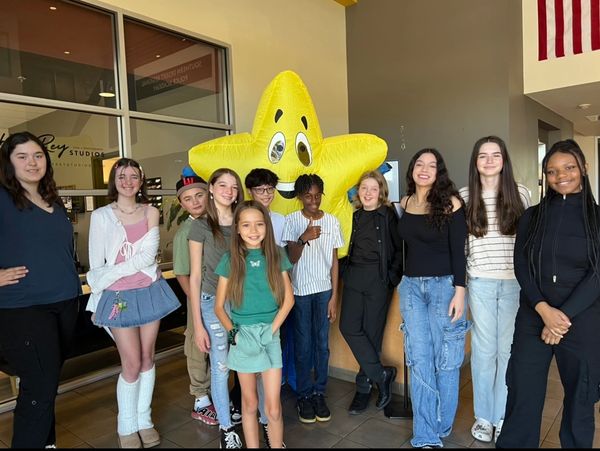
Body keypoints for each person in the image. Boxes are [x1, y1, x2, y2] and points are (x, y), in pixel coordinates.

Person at [496, 140, 600, 449]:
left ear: (583, 168)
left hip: (582, 319)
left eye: (569, 168)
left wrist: (561, 318)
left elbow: (598, 275)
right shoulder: (532, 216)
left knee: (581, 398)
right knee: (522, 392)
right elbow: (521, 265)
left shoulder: (598, 218)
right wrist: (543, 310)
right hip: (534, 315)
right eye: (552, 171)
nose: (561, 176)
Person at [86, 157, 180, 449]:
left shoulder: (151, 211)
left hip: (150, 291)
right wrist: (102, 289)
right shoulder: (101, 216)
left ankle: (144, 420)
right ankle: (126, 426)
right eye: (121, 176)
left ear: (141, 181)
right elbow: (95, 266)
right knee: (131, 362)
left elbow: (148, 256)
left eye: (133, 176)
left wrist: (112, 271)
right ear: (113, 181)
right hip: (118, 297)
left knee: (148, 357)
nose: (128, 182)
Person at [0, 131, 82, 448]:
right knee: (39, 386)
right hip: (24, 307)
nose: (32, 162)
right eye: (22, 156)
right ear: (8, 163)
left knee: (45, 385)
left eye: (38, 155)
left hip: (65, 302)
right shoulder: (3, 198)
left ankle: (47, 443)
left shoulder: (53, 200)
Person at [458, 136, 531, 443]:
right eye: (483, 155)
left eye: (495, 155)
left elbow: (528, 242)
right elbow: (459, 243)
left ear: (504, 160)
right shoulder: (464, 196)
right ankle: (484, 417)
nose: (489, 161)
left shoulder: (521, 193)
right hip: (480, 282)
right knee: (484, 352)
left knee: (507, 351)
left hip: (514, 283)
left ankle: (501, 416)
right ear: (475, 162)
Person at [397, 148, 470, 449]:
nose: (424, 169)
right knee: (419, 360)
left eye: (431, 165)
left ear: (439, 172)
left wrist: (460, 290)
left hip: (444, 287)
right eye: (419, 164)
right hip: (411, 288)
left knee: (446, 360)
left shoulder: (451, 203)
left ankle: (441, 423)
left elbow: (459, 250)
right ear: (412, 169)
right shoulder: (404, 203)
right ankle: (425, 434)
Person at [214, 200, 295, 449]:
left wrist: (271, 331)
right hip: (243, 335)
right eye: (246, 225)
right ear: (237, 229)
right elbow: (219, 307)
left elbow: (289, 300)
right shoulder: (230, 259)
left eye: (259, 224)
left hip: (270, 333)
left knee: (273, 407)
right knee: (249, 403)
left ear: (267, 227)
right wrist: (235, 335)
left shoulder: (277, 255)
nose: (253, 230)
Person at [188, 168, 244, 449]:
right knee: (221, 367)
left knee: (247, 362)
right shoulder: (200, 225)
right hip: (213, 303)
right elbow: (195, 277)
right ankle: (226, 428)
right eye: (223, 185)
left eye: (234, 186)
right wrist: (198, 325)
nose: (229, 191)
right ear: (211, 188)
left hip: (244, 302)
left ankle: (256, 418)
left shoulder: (244, 220)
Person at [282, 174, 344, 424]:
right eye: (308, 196)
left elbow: (335, 261)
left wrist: (334, 296)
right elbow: (290, 259)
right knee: (303, 346)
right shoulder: (291, 221)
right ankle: (304, 395)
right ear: (299, 197)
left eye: (318, 195)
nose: (314, 200)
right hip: (300, 293)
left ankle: (319, 393)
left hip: (324, 292)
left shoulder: (332, 221)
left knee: (322, 345)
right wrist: (303, 237)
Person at [339, 170, 403, 414]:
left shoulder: (388, 215)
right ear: (358, 192)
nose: (367, 193)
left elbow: (400, 249)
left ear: (381, 192)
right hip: (354, 278)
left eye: (373, 189)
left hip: (378, 280)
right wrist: (343, 273)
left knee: (371, 335)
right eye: (364, 188)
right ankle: (381, 374)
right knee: (348, 327)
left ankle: (363, 388)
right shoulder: (352, 215)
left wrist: (391, 278)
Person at [172, 168, 218, 425]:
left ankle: (217, 394)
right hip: (199, 298)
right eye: (188, 199)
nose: (195, 202)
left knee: (219, 344)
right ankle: (200, 398)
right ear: (181, 204)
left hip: (222, 296)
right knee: (198, 346)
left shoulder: (218, 223)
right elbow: (182, 273)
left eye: (199, 195)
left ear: (208, 194)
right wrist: (197, 303)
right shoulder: (184, 232)